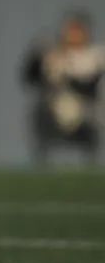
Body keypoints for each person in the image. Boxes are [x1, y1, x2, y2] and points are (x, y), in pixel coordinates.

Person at [21, 11, 103, 165]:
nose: (72, 34)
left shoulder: (93, 56)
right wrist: (38, 58)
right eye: (69, 29)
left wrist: (67, 74)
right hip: (52, 111)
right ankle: (41, 164)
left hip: (84, 110)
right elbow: (30, 79)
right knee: (42, 111)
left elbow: (92, 84)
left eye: (77, 30)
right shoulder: (52, 54)